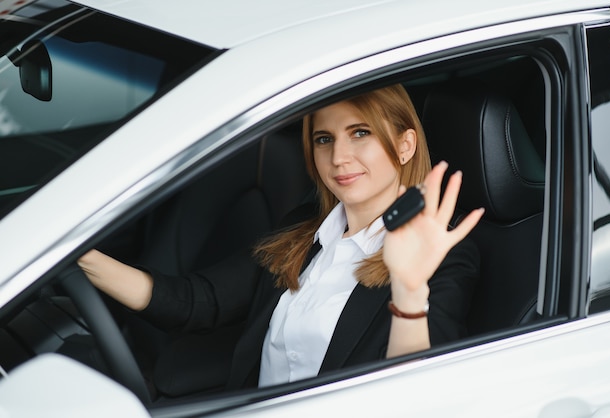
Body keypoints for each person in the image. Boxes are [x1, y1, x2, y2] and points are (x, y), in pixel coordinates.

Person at [78, 84, 484, 390]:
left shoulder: (443, 253)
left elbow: (416, 395)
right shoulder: (304, 229)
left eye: (360, 133)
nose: (338, 157)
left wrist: (409, 291)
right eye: (324, 139)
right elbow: (198, 301)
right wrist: (76, 256)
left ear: (405, 144)